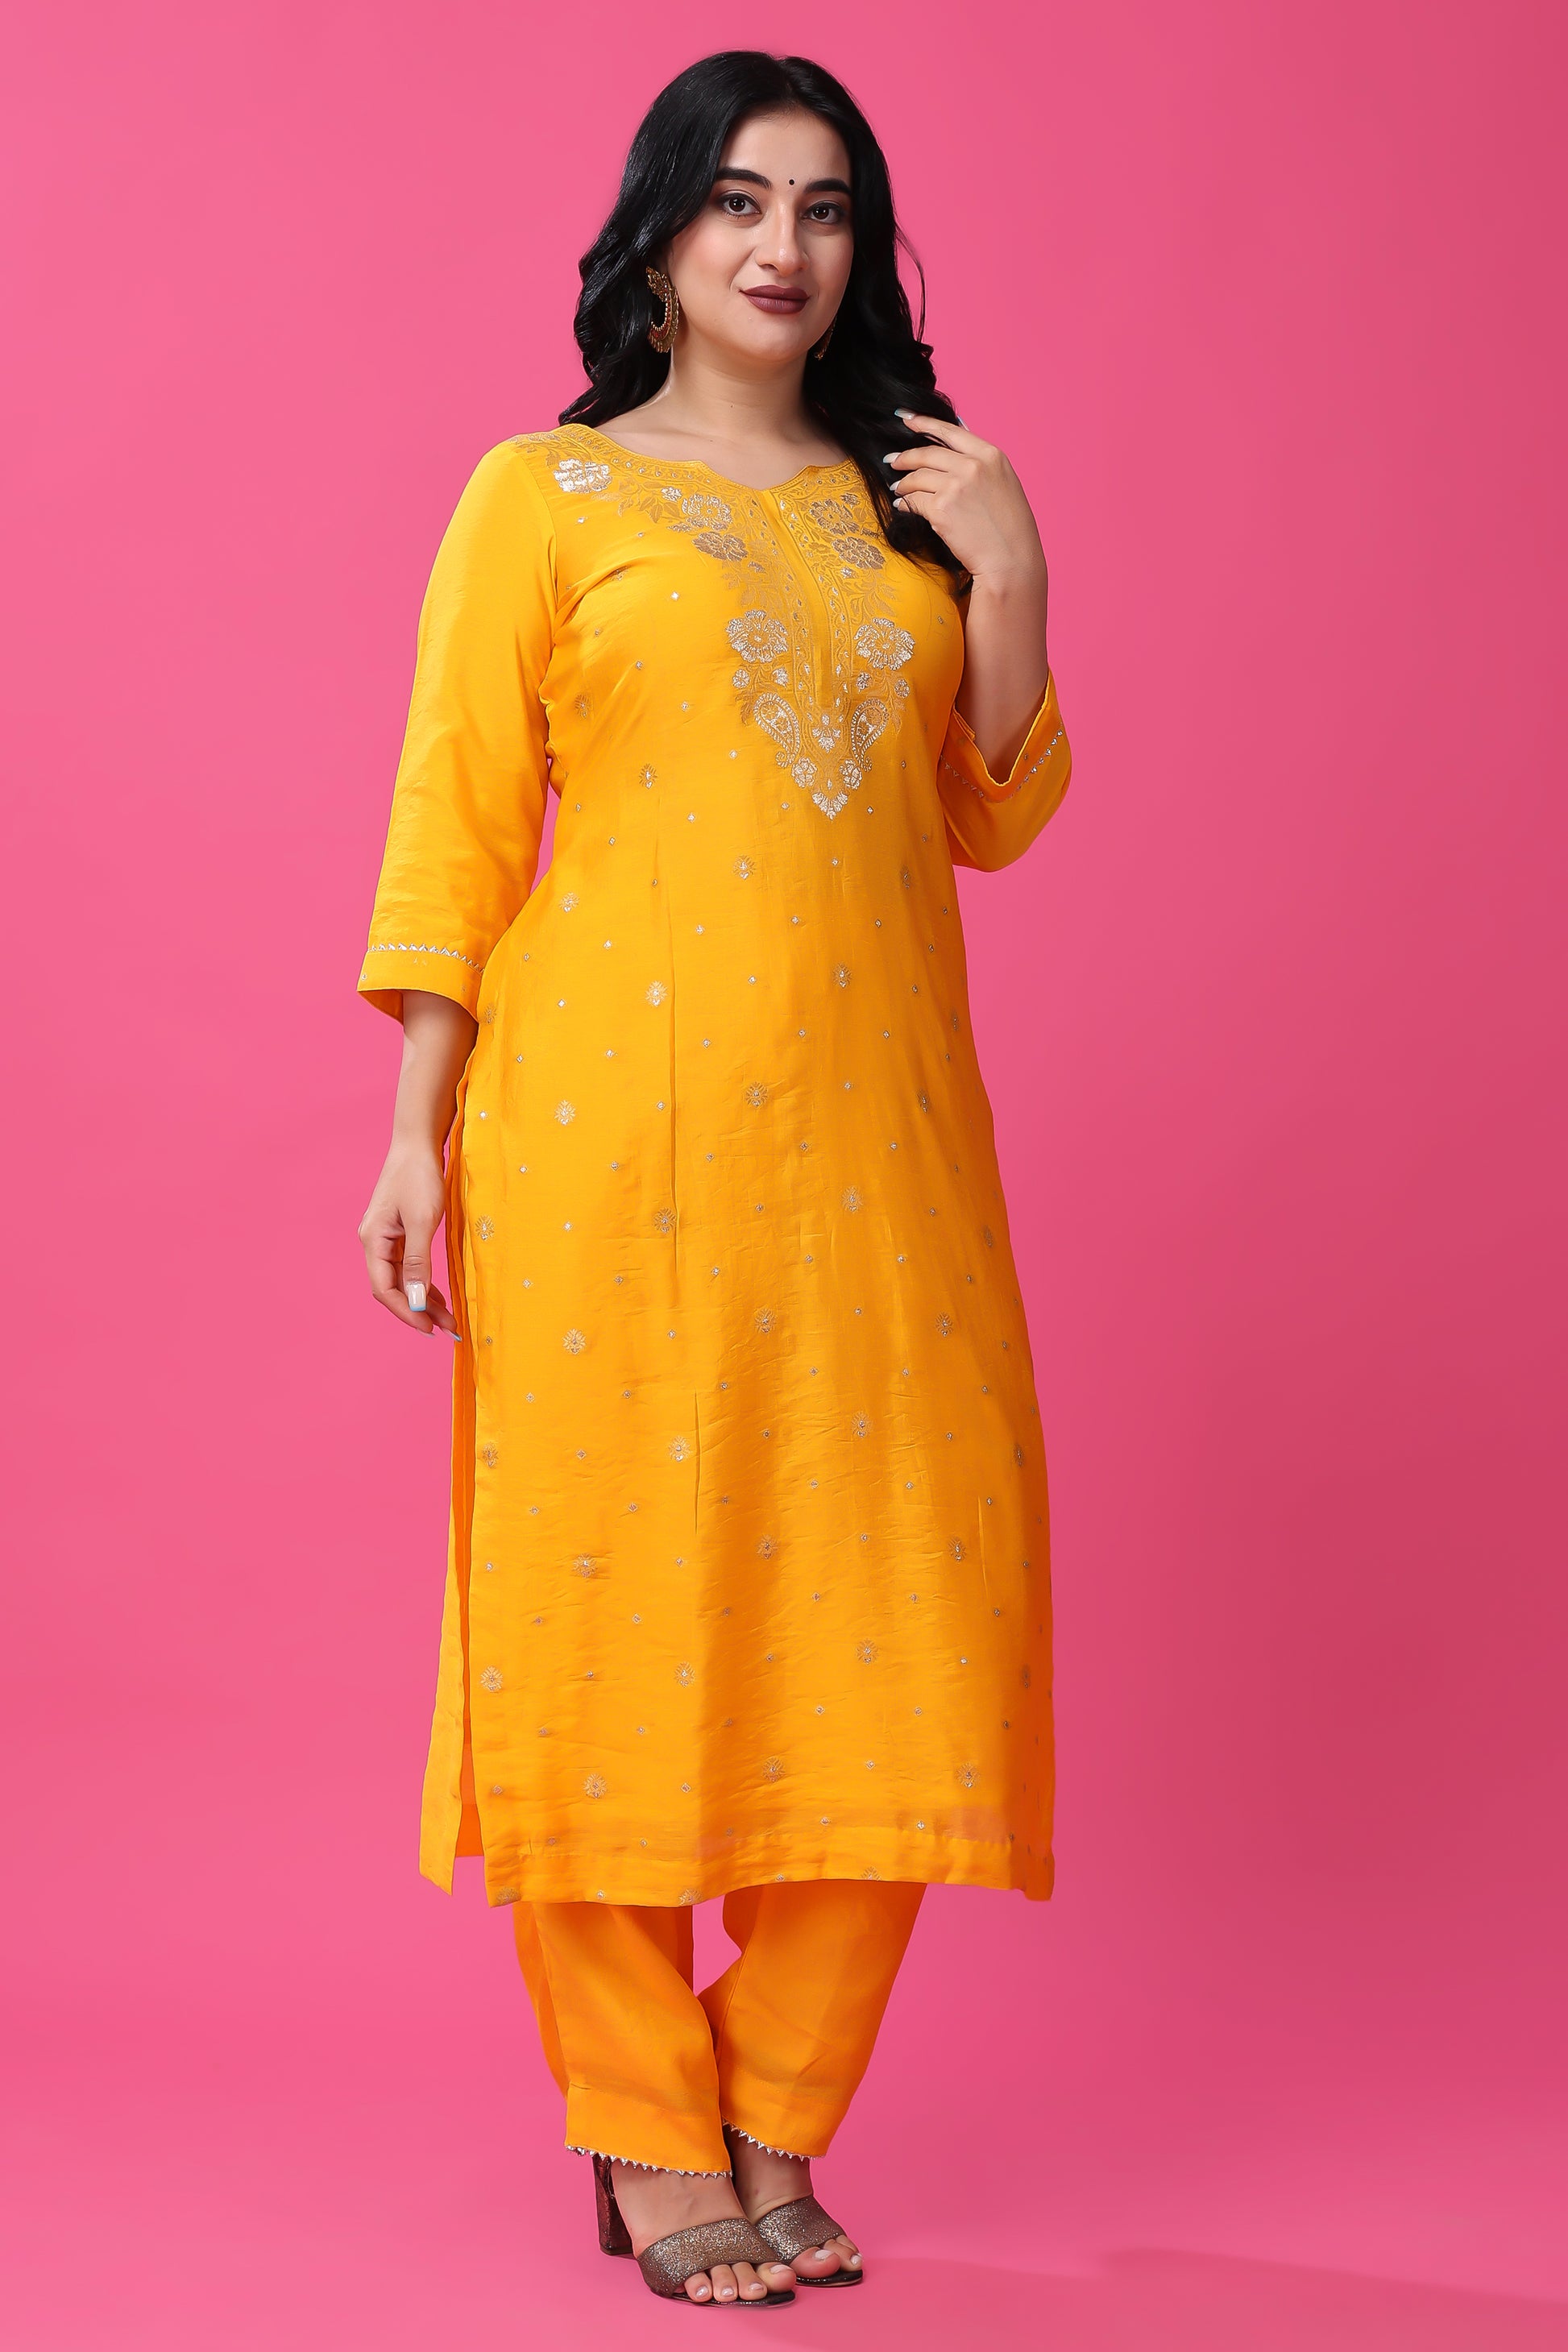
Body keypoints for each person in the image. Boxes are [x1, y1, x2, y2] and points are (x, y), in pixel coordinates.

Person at [356, 48, 1071, 2310]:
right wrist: (413, 1126)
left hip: (883, 1150)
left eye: (828, 208)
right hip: (600, 1148)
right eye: (740, 200)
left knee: (911, 1624)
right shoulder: (545, 493)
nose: (785, 246)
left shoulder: (903, 497)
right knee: (599, 1619)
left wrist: (1009, 565)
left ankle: (774, 2099)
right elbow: (459, 814)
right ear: (659, 235)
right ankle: (651, 2133)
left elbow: (992, 804)